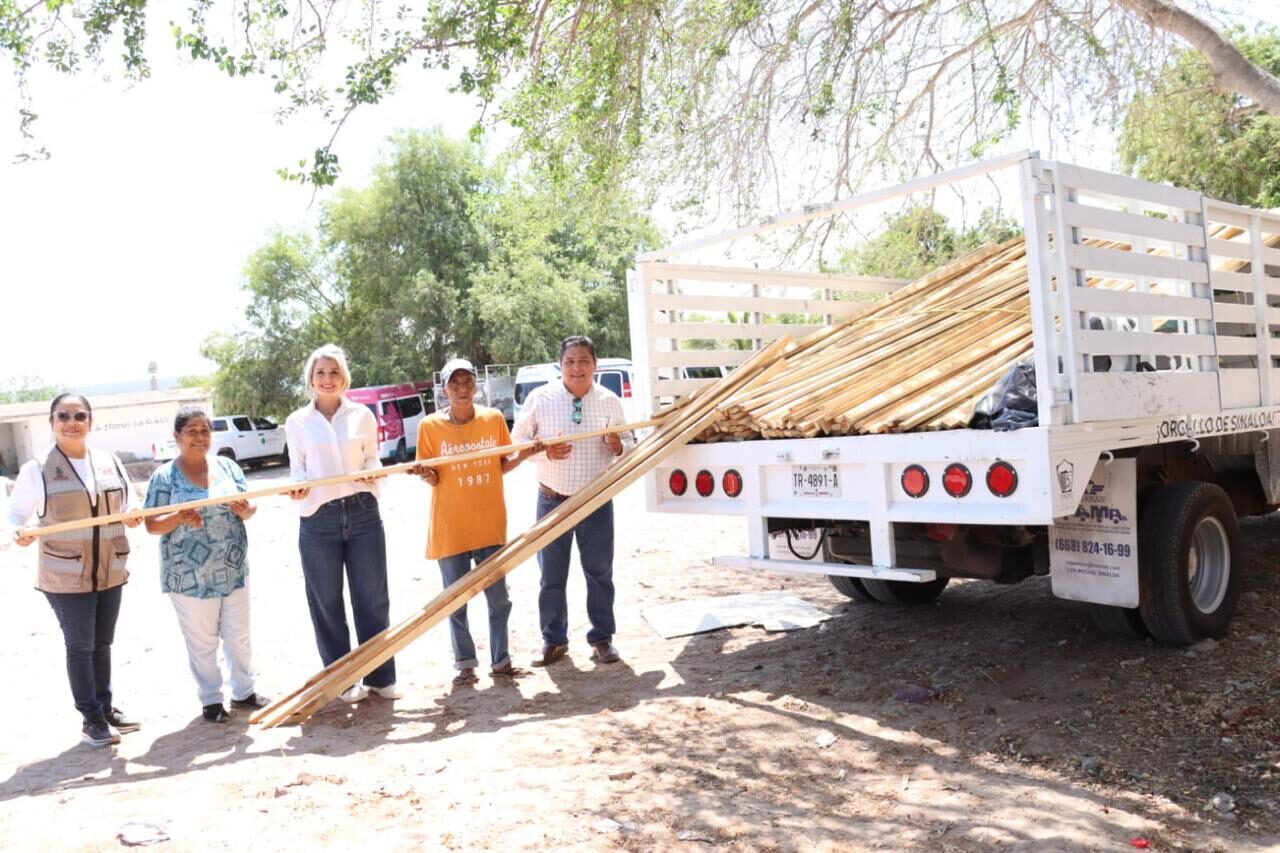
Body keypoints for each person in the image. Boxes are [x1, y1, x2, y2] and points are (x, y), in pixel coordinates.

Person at [4, 394, 143, 746]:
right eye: (63, 415)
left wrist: (136, 513)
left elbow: (130, 502)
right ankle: (91, 719)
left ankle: (106, 708)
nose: (72, 421)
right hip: (66, 576)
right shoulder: (37, 469)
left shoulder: (109, 461)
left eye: (79, 415)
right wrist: (17, 532)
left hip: (110, 568)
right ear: (51, 422)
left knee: (102, 643)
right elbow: (14, 515)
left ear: (90, 422)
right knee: (80, 646)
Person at [284, 344, 400, 703]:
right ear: (310, 379)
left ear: (344, 376)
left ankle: (380, 678)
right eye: (320, 372)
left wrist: (370, 475)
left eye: (334, 372)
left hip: (363, 512)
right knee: (326, 603)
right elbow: (298, 469)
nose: (328, 379)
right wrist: (298, 487)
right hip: (319, 518)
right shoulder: (297, 422)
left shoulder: (362, 416)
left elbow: (372, 459)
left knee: (372, 599)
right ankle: (343, 682)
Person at [511, 335, 634, 667]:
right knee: (551, 574)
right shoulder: (541, 398)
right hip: (552, 498)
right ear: (560, 365)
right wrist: (543, 450)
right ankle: (554, 641)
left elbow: (630, 441)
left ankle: (602, 638)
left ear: (596, 365)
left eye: (584, 361)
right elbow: (516, 441)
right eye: (570, 362)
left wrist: (618, 447)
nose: (577, 368)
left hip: (596, 499)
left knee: (599, 572)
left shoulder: (610, 400)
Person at [416, 358, 540, 686]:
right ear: (444, 389)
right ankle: (465, 664)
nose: (461, 389)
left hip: (489, 523)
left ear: (476, 385)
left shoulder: (493, 419)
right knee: (455, 601)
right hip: (450, 527)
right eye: (454, 383)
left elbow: (501, 464)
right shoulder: (430, 427)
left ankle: (501, 661)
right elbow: (431, 477)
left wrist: (526, 454)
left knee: (499, 598)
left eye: (467, 382)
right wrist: (424, 473)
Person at [143, 406, 268, 722]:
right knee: (202, 640)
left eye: (204, 431)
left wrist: (244, 509)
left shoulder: (226, 466)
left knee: (238, 634)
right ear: (177, 436)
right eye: (191, 431)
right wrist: (177, 516)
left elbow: (249, 505)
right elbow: (151, 524)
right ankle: (212, 700)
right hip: (189, 575)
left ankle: (244, 691)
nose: (199, 437)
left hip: (233, 567)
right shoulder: (164, 476)